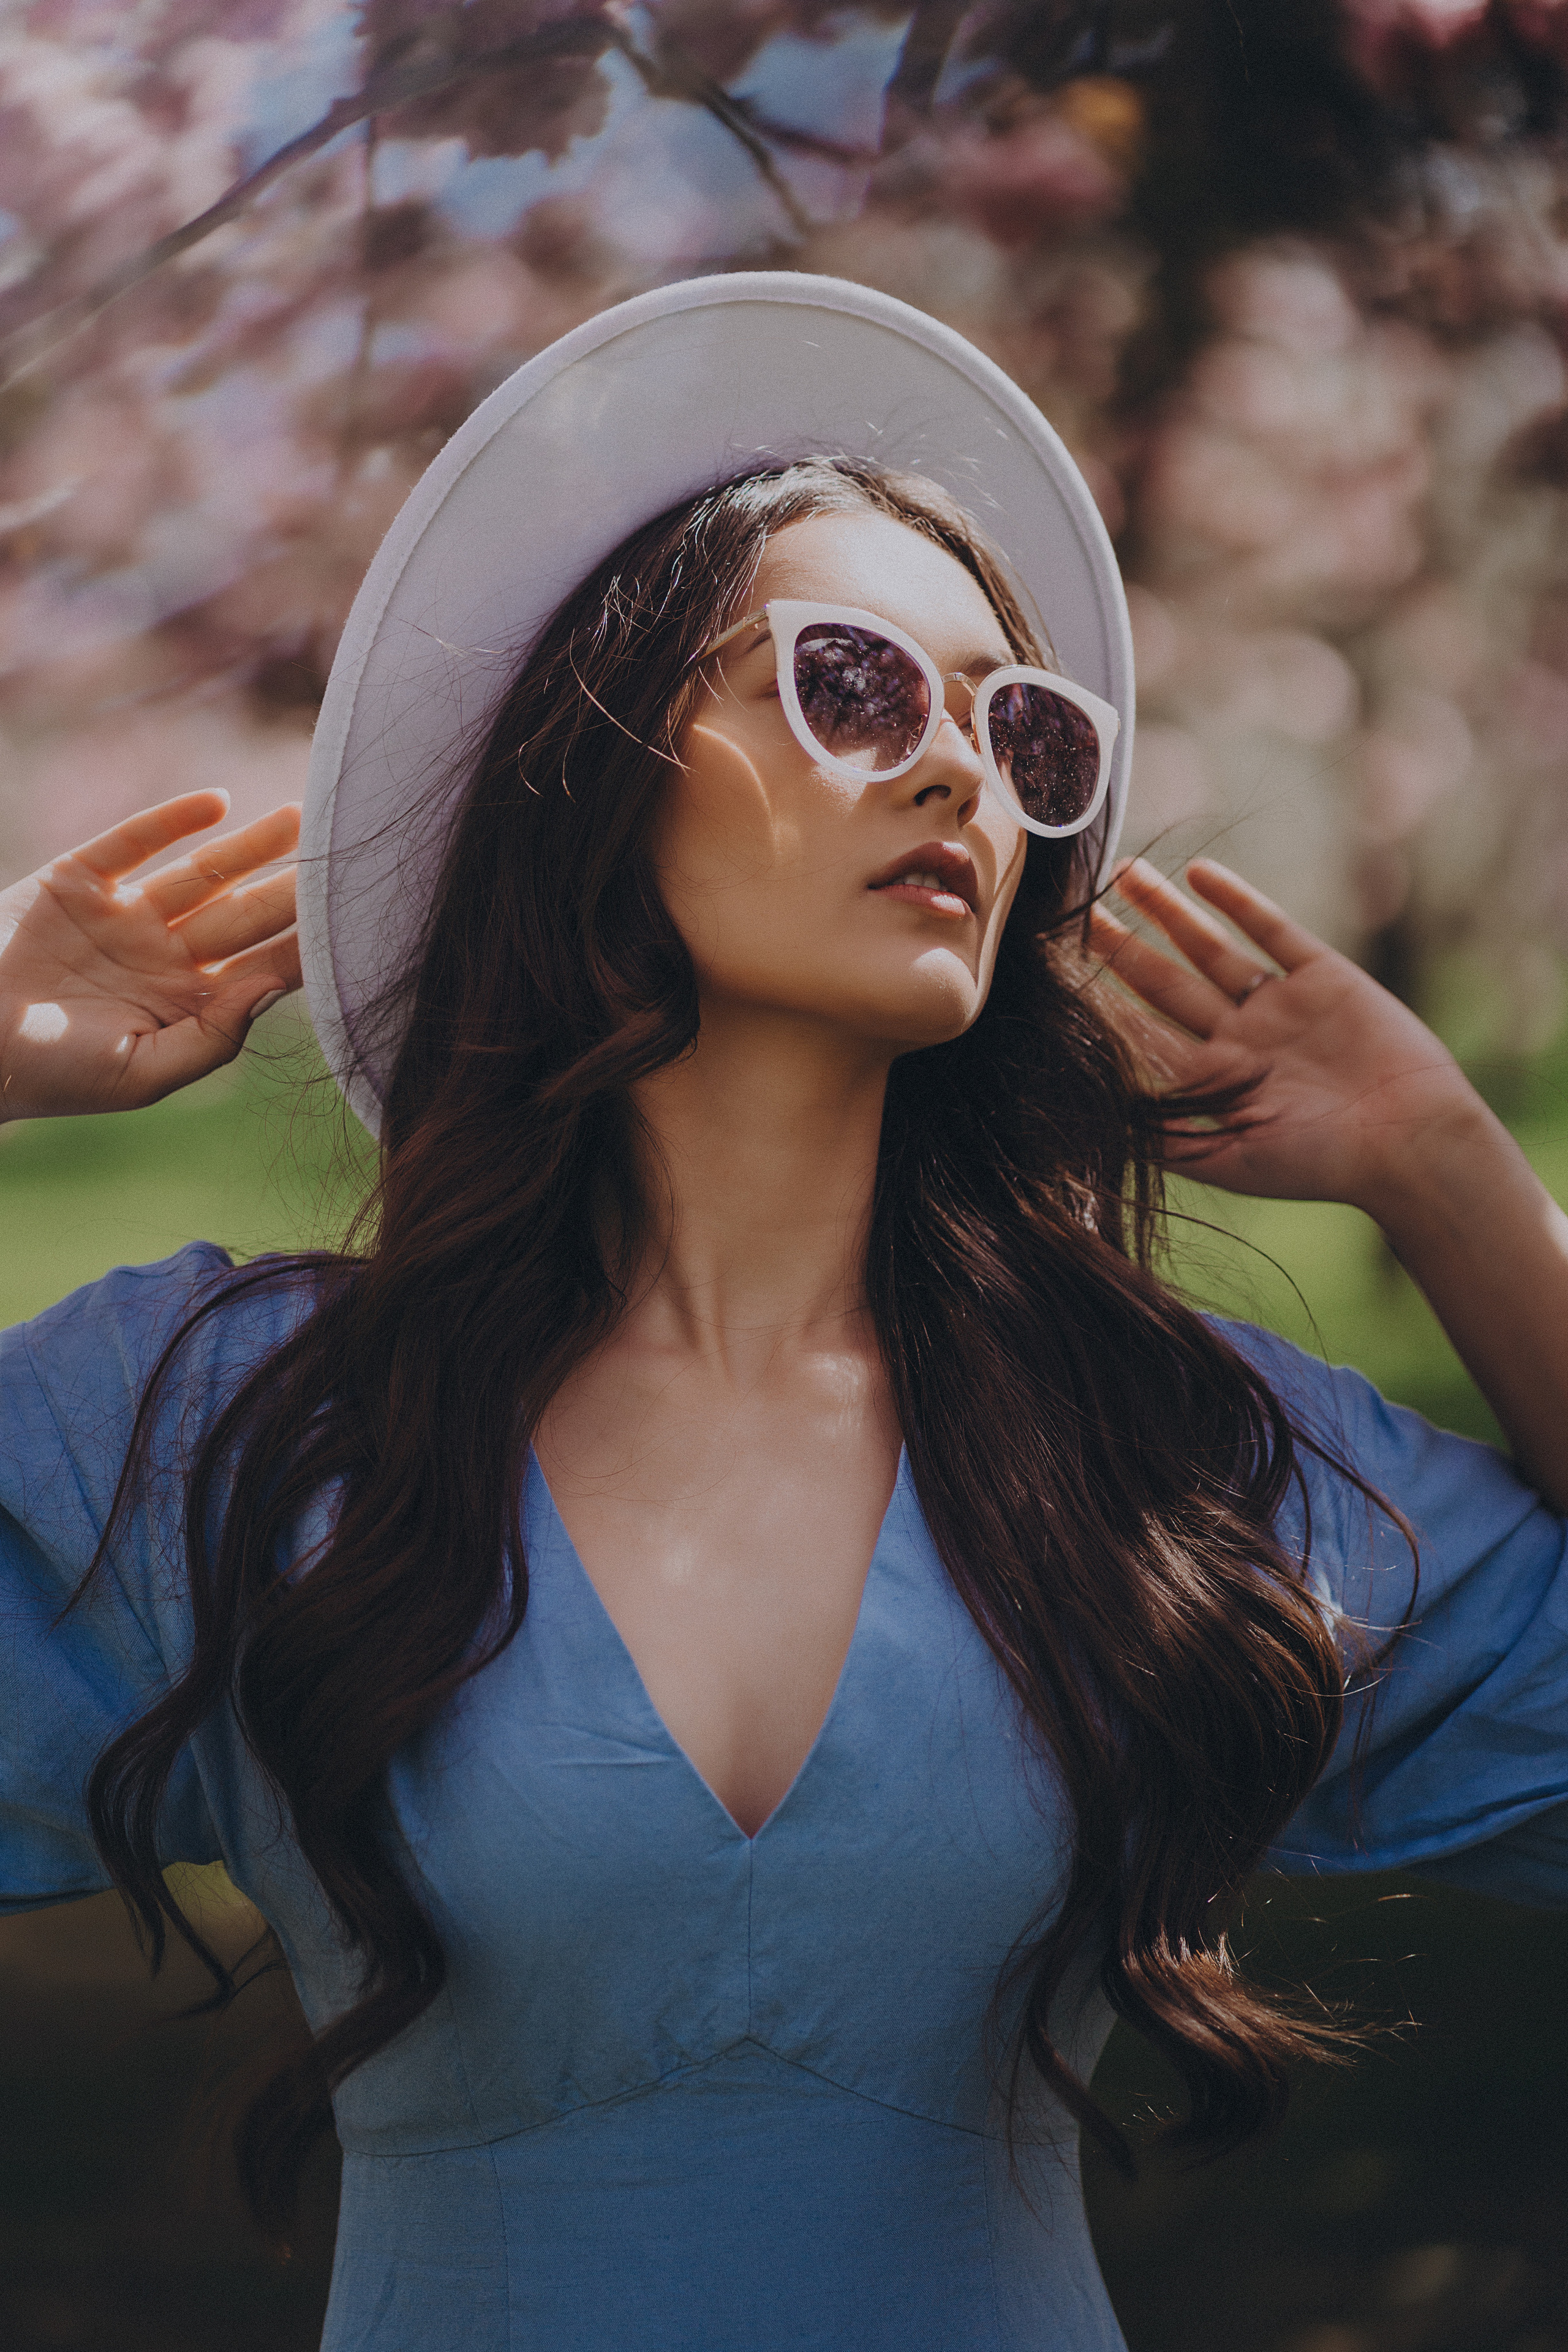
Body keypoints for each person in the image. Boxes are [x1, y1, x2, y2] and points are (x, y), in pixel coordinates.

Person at [2, 275, 1565, 2352]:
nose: (957, 775)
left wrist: (1450, 1171)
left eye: (1020, 730)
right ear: (602, 770)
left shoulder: (1164, 1458)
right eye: (849, 682)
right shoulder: (234, 1425)